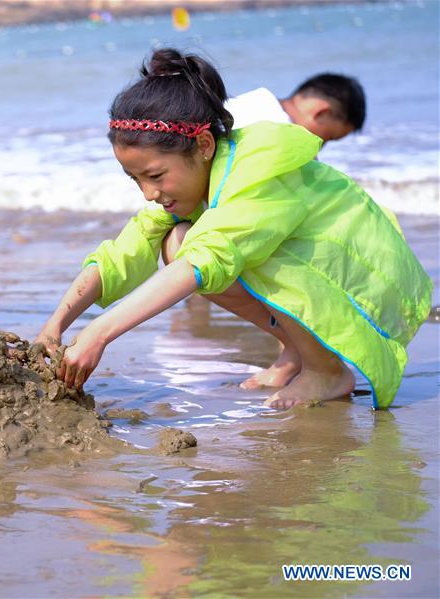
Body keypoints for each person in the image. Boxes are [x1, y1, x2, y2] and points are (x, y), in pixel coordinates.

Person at [36, 48, 431, 411]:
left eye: (155, 175)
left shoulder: (255, 172)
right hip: (319, 267)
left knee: (222, 253)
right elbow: (125, 250)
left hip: (365, 276)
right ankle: (299, 350)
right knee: (177, 242)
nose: (148, 193)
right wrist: (56, 325)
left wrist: (101, 332)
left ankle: (327, 371)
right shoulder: (193, 178)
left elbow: (203, 262)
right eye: (134, 178)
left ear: (204, 146)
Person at [226, 73, 366, 142]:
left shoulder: (247, 101)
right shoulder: (286, 136)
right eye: (328, 138)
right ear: (321, 112)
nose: (319, 147)